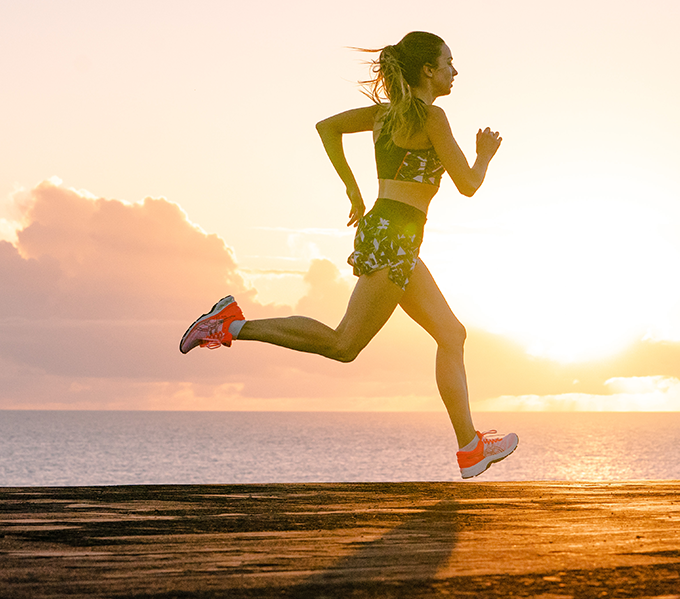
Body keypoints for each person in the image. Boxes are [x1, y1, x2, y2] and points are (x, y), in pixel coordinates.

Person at [179, 31, 517, 479]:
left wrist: (353, 189)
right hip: (396, 236)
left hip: (391, 231)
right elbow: (468, 185)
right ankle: (229, 325)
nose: (456, 71)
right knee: (344, 345)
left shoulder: (383, 116)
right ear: (428, 71)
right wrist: (485, 155)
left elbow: (327, 127)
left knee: (451, 334)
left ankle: (470, 447)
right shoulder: (434, 118)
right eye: (450, 63)